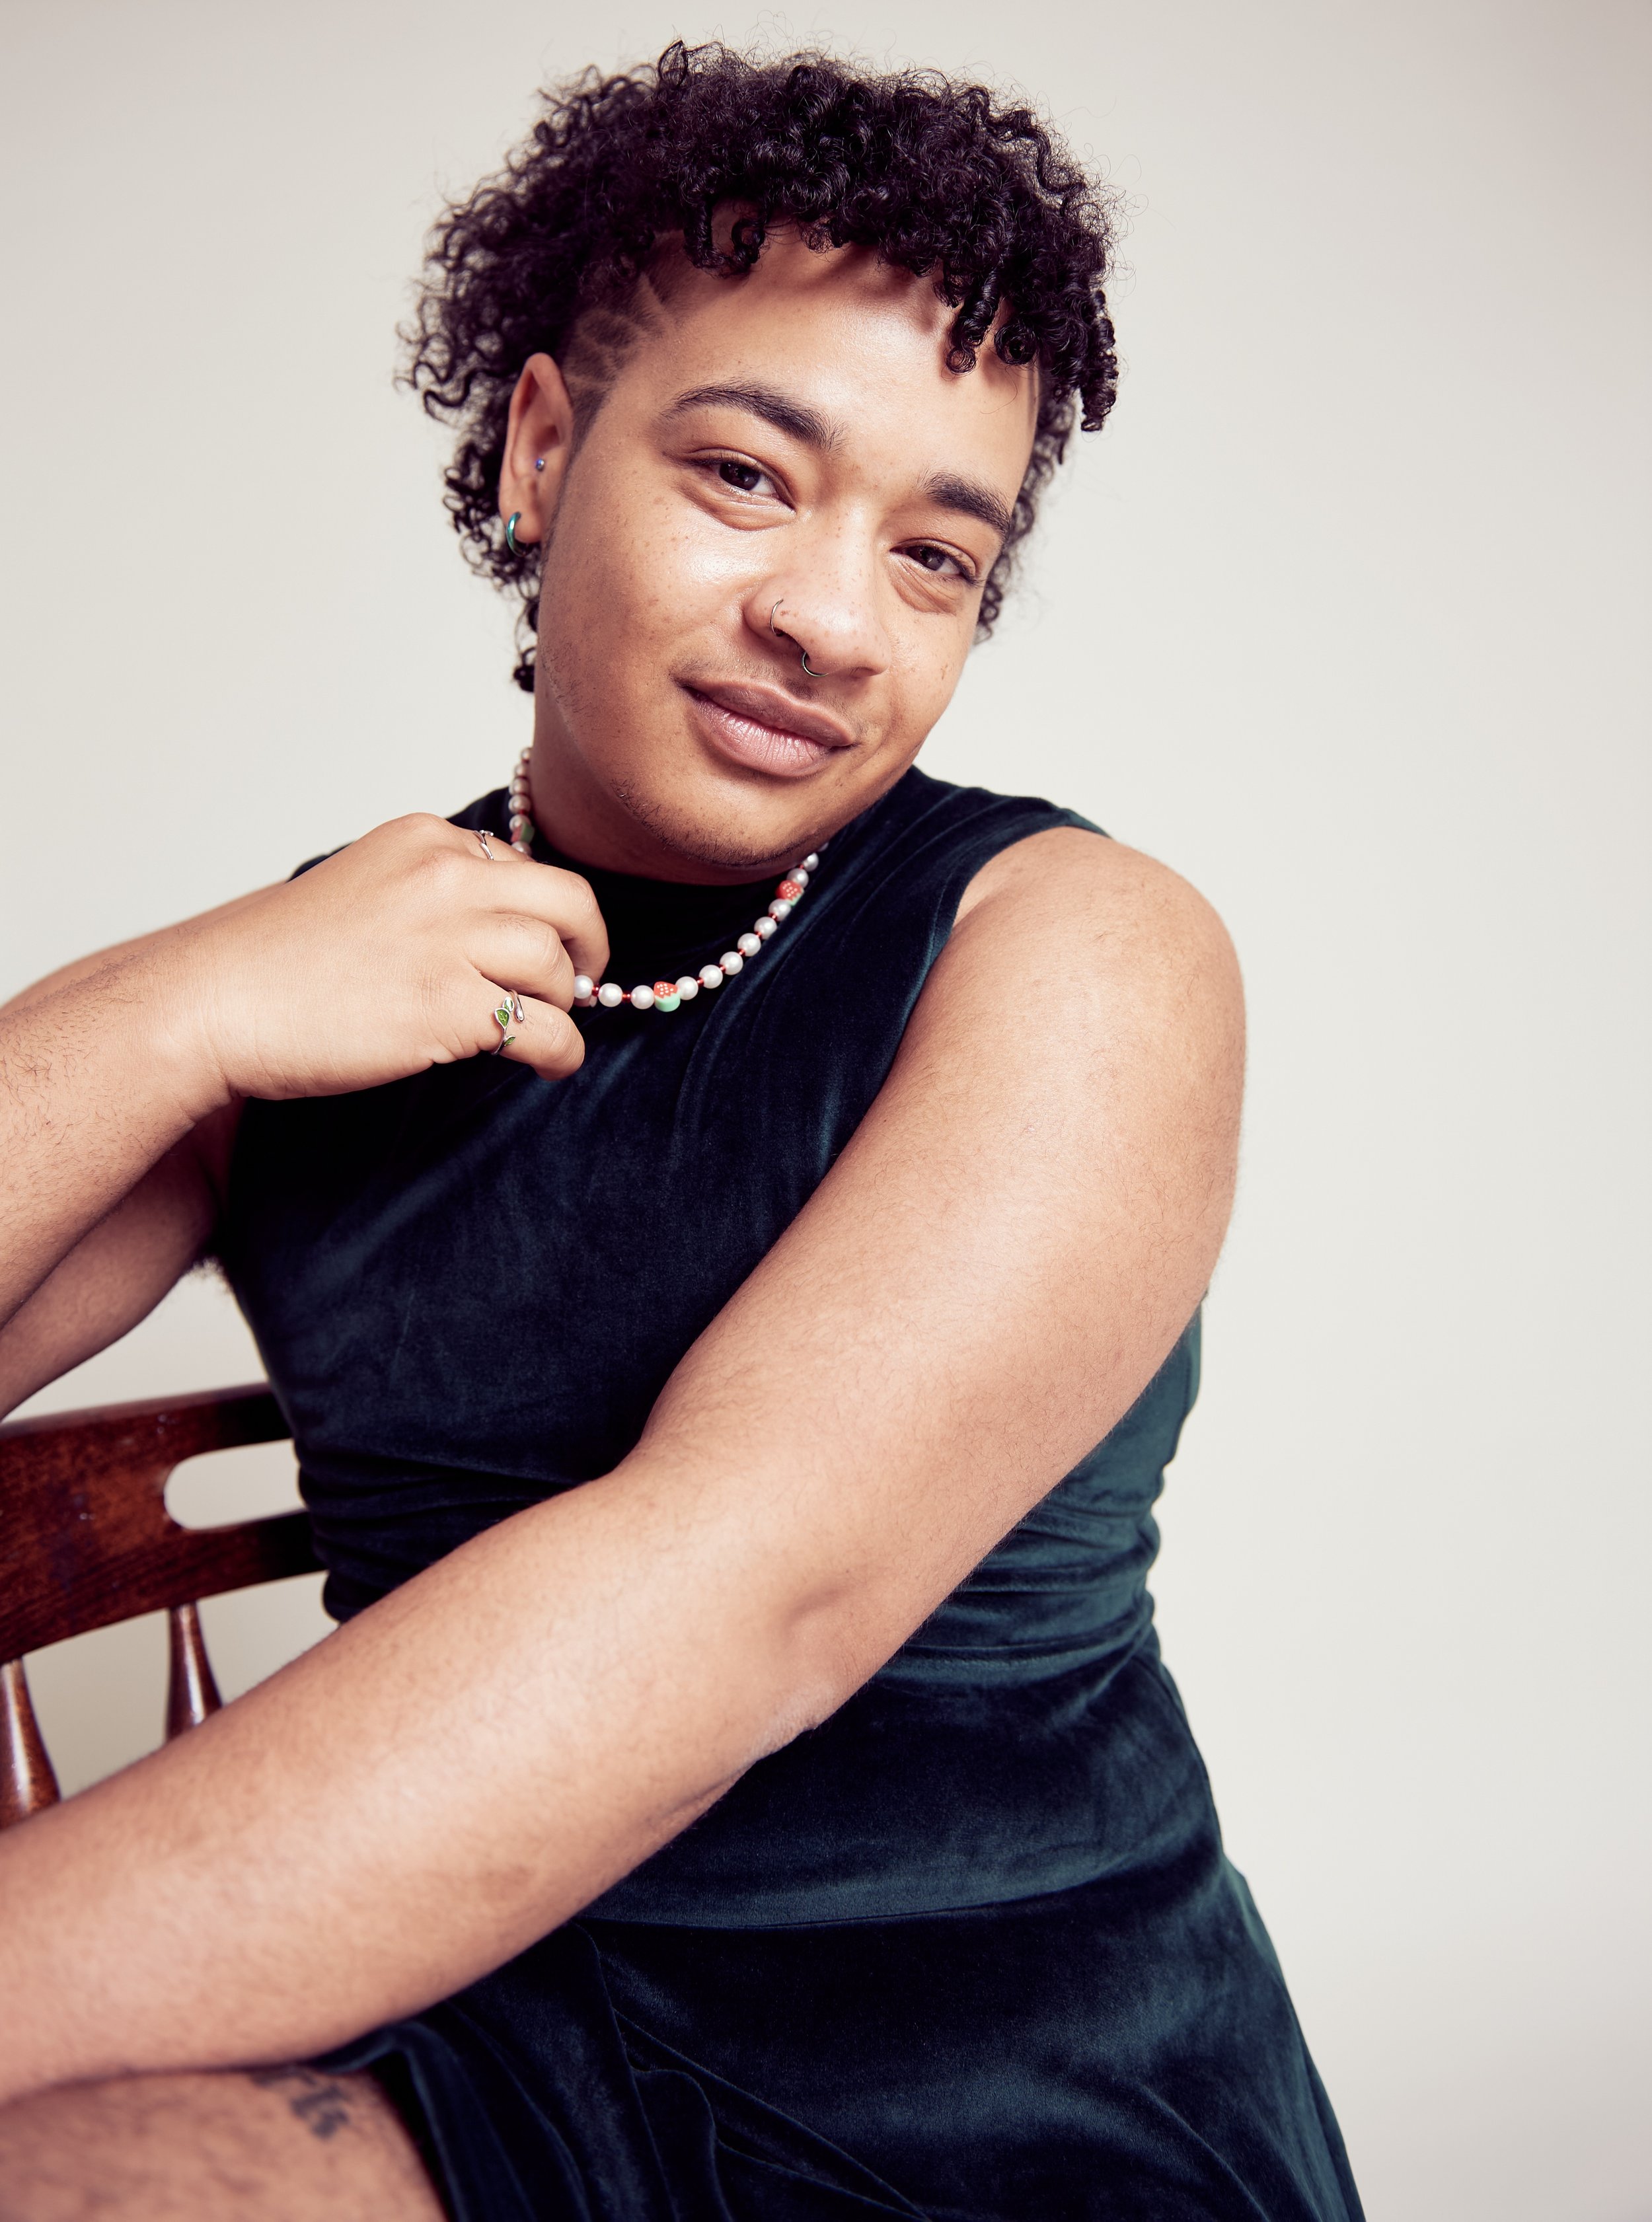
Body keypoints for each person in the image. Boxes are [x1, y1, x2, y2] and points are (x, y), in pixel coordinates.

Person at [0, 42, 1363, 2222]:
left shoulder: (1080, 946)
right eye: (747, 474)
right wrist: (170, 1000)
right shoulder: (331, 971)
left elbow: (732, 1607)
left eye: (938, 555)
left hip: (992, 2074)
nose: (834, 622)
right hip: (491, 2021)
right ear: (546, 447)